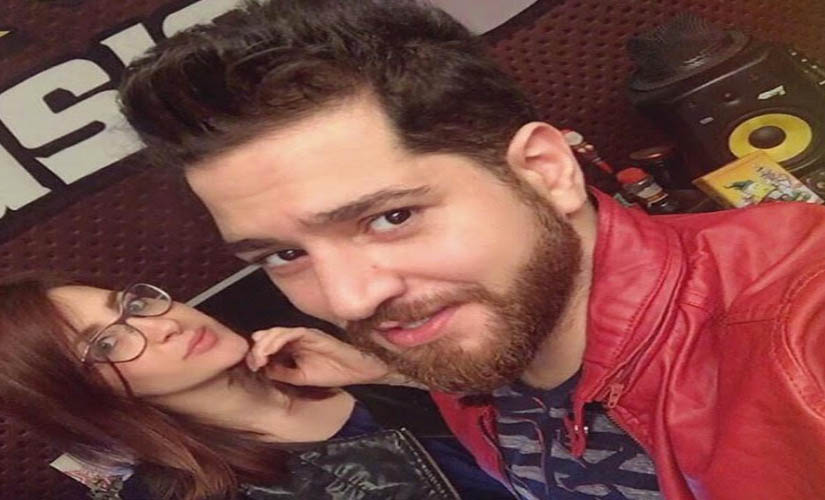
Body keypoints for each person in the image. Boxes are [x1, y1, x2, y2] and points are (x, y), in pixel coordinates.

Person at [116, 0, 825, 499]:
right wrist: (395, 372)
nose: (348, 300)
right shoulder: (483, 341)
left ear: (545, 171)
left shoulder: (796, 325)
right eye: (281, 255)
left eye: (391, 217)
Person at [0, 275, 513, 500]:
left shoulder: (336, 339)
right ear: (82, 395)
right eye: (109, 344)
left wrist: (388, 372)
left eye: (133, 305)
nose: (162, 325)